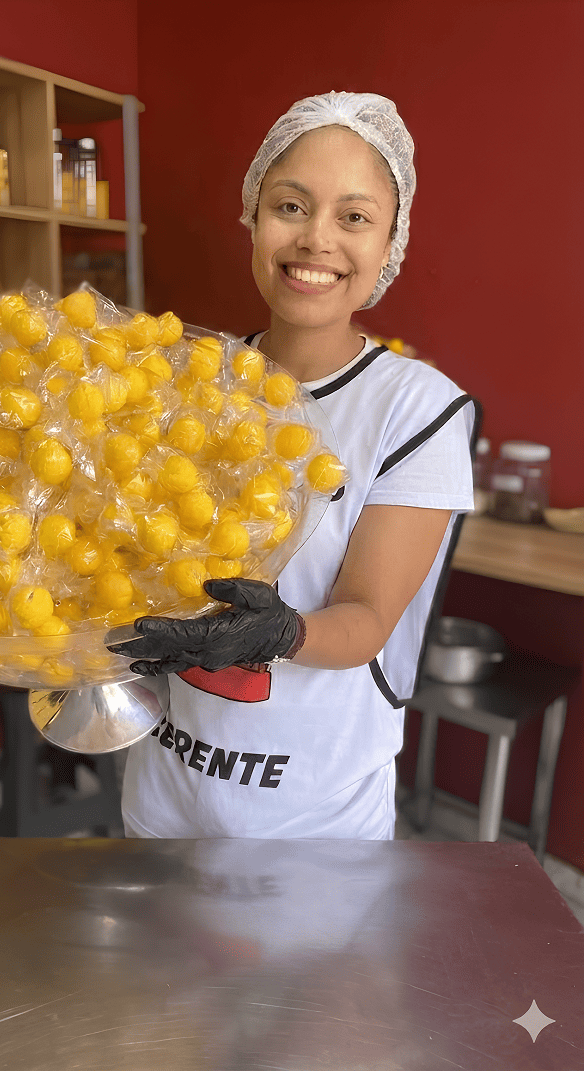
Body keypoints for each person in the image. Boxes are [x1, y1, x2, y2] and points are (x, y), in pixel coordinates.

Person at [109, 91, 477, 840]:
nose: (316, 239)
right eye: (290, 206)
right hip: (162, 804)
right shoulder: (189, 383)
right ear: (252, 216)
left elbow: (367, 618)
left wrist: (283, 634)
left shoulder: (416, 408)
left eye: (354, 216)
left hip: (313, 830)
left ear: (389, 242)